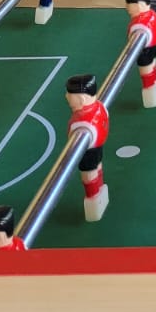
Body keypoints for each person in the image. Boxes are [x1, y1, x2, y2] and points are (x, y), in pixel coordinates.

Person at [65, 72, 110, 222]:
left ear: (82, 98)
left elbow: (73, 140)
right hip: (98, 147)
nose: (66, 97)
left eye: (70, 94)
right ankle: (98, 192)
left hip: (88, 151)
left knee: (89, 174)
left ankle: (93, 197)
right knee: (97, 167)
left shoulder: (81, 123)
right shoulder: (100, 107)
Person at [125, 0, 156, 108]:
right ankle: (153, 88)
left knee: (146, 70)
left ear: (139, 6)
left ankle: (150, 91)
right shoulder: (152, 15)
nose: (126, 8)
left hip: (144, 50)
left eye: (129, 5)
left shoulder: (139, 24)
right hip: (152, 46)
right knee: (152, 66)